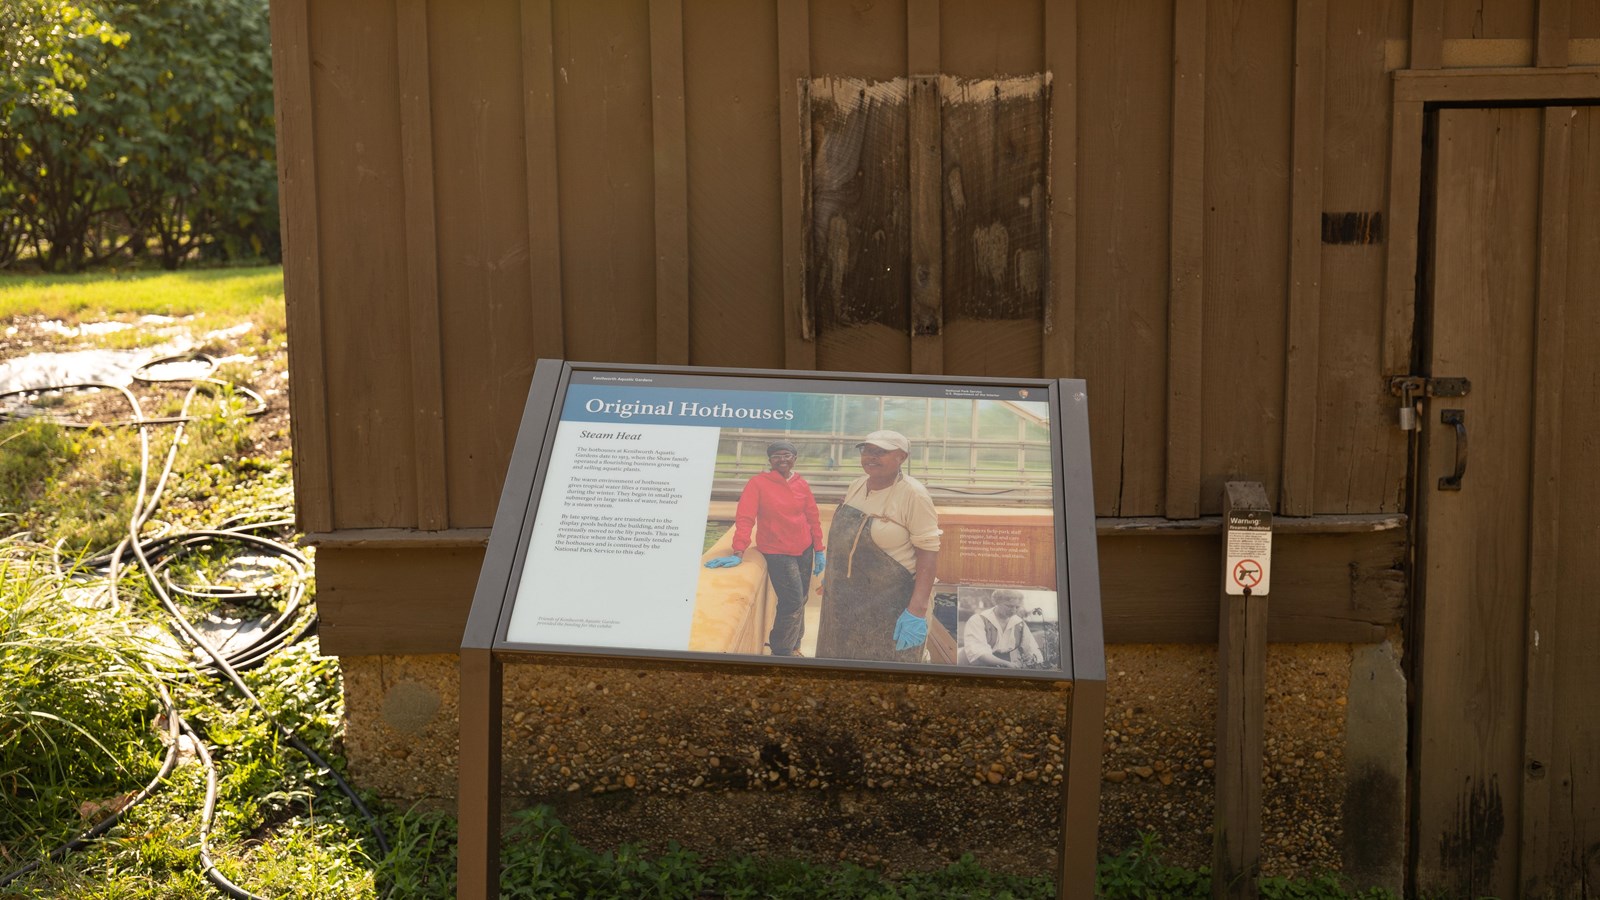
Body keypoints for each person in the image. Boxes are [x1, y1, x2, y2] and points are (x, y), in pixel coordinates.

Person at [815, 430, 940, 663]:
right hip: (845, 603)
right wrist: (834, 575)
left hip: (893, 605)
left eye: (881, 452)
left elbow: (928, 554)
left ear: (902, 457)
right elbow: (847, 538)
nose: (871, 456)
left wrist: (917, 610)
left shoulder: (914, 495)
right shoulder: (856, 485)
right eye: (867, 450)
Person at [703, 440, 825, 656]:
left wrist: (819, 548)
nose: (782, 459)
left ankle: (795, 644)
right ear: (770, 460)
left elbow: (812, 517)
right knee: (792, 601)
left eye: (787, 455)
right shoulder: (758, 483)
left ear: (794, 459)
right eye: (776, 456)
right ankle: (782, 651)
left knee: (802, 599)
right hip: (777, 550)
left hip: (804, 547)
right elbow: (745, 518)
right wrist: (739, 551)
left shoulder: (801, 484)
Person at [961, 589, 1042, 668]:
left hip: (1005, 665)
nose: (1014, 610)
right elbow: (979, 652)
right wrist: (1006, 663)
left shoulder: (1019, 623)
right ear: (997, 602)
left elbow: (1031, 648)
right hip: (977, 666)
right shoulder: (978, 620)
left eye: (1017, 607)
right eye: (1009, 606)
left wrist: (1035, 663)